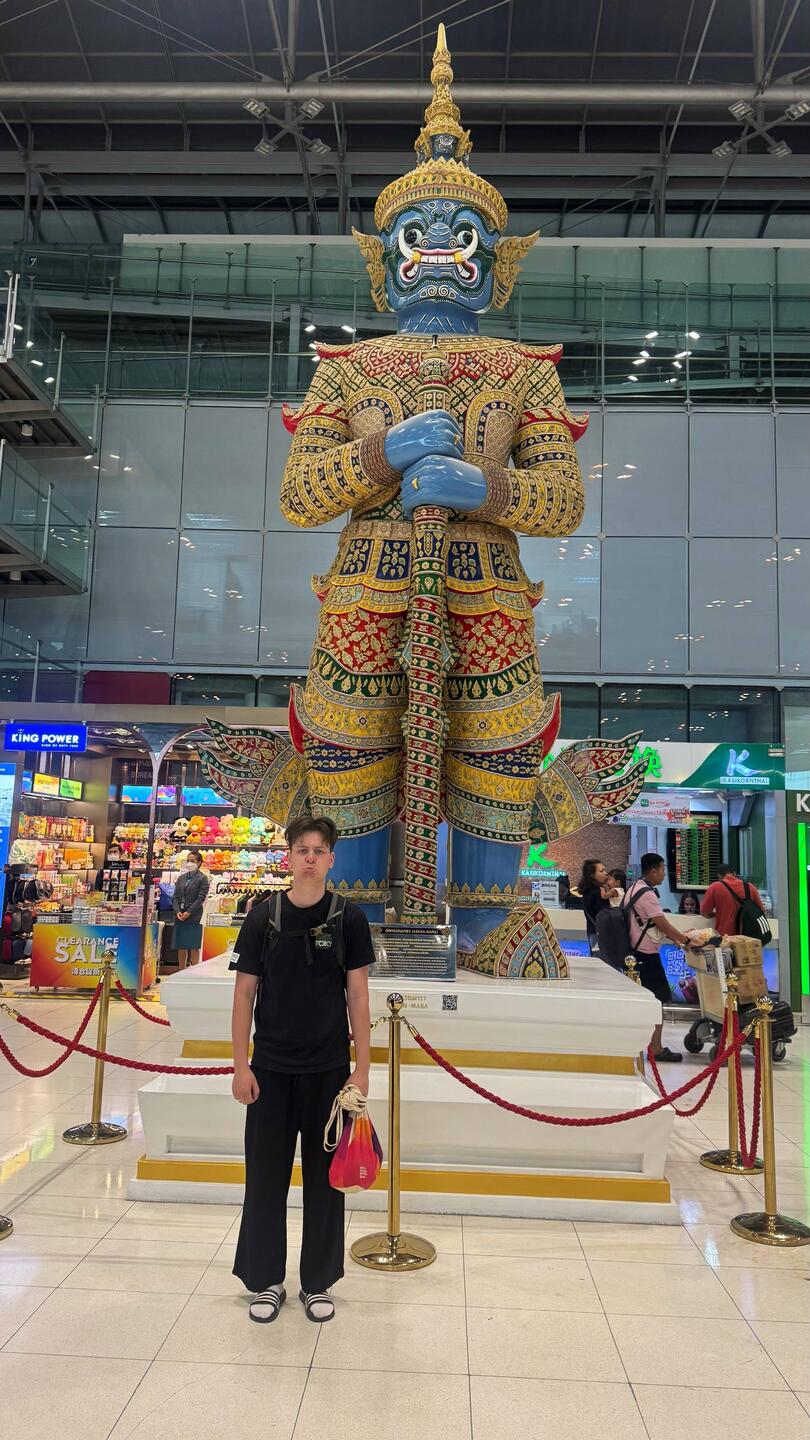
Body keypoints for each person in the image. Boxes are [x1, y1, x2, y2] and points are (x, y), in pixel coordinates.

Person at [230, 816, 374, 1326]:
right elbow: (244, 991)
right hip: (269, 1069)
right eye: (302, 849)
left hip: (329, 1072)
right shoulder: (262, 917)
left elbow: (357, 993)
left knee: (324, 1182)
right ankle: (265, 1280)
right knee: (264, 1179)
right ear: (288, 857)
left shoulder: (348, 919)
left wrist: (362, 1067)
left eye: (319, 850)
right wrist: (240, 1064)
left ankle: (317, 1282)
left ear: (331, 858)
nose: (310, 858)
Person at [624, 852, 701, 1063]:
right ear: (653, 870)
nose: (664, 875)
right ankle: (656, 1048)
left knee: (650, 1000)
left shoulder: (634, 889)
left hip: (637, 953)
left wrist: (677, 939)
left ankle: (646, 1044)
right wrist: (685, 941)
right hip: (646, 955)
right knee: (658, 1000)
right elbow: (662, 923)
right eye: (663, 870)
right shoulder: (647, 894)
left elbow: (651, 924)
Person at [701, 863, 765, 936]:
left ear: (719, 876)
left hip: (725, 937)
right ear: (734, 873)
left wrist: (717, 914)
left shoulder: (714, 887)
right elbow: (761, 910)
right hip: (747, 937)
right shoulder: (750, 886)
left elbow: (704, 913)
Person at [171, 848, 210, 968]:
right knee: (181, 944)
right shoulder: (181, 878)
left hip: (194, 916)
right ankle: (181, 969)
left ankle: (194, 970)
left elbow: (201, 898)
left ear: (199, 863)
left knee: (193, 945)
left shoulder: (202, 878)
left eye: (192, 861)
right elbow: (175, 896)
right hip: (180, 915)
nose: (189, 863)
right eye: (188, 860)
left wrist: (189, 911)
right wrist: (178, 911)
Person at [578, 859, 610, 952]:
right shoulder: (597, 892)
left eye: (605, 870)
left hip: (592, 931)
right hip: (600, 933)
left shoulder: (587, 891)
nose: (605, 873)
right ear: (592, 875)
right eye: (601, 871)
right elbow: (604, 914)